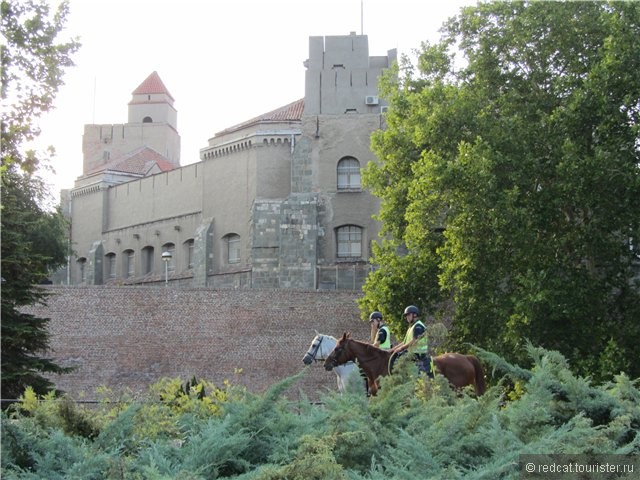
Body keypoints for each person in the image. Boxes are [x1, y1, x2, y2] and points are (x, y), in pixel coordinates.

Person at [393, 305, 433, 378]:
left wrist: (401, 348)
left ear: (414, 315)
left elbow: (413, 341)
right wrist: (393, 350)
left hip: (419, 355)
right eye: (406, 316)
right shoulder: (411, 327)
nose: (406, 317)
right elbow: (404, 342)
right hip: (412, 353)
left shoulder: (418, 326)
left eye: (408, 315)